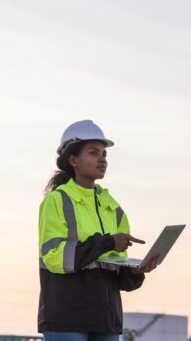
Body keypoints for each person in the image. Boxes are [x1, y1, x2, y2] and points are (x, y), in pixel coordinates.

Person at [37, 120, 156, 341]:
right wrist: (108, 242)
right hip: (66, 320)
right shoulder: (58, 200)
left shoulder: (113, 207)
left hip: (105, 321)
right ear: (73, 160)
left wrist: (135, 272)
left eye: (104, 154)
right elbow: (56, 258)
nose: (102, 159)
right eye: (93, 153)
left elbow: (116, 272)